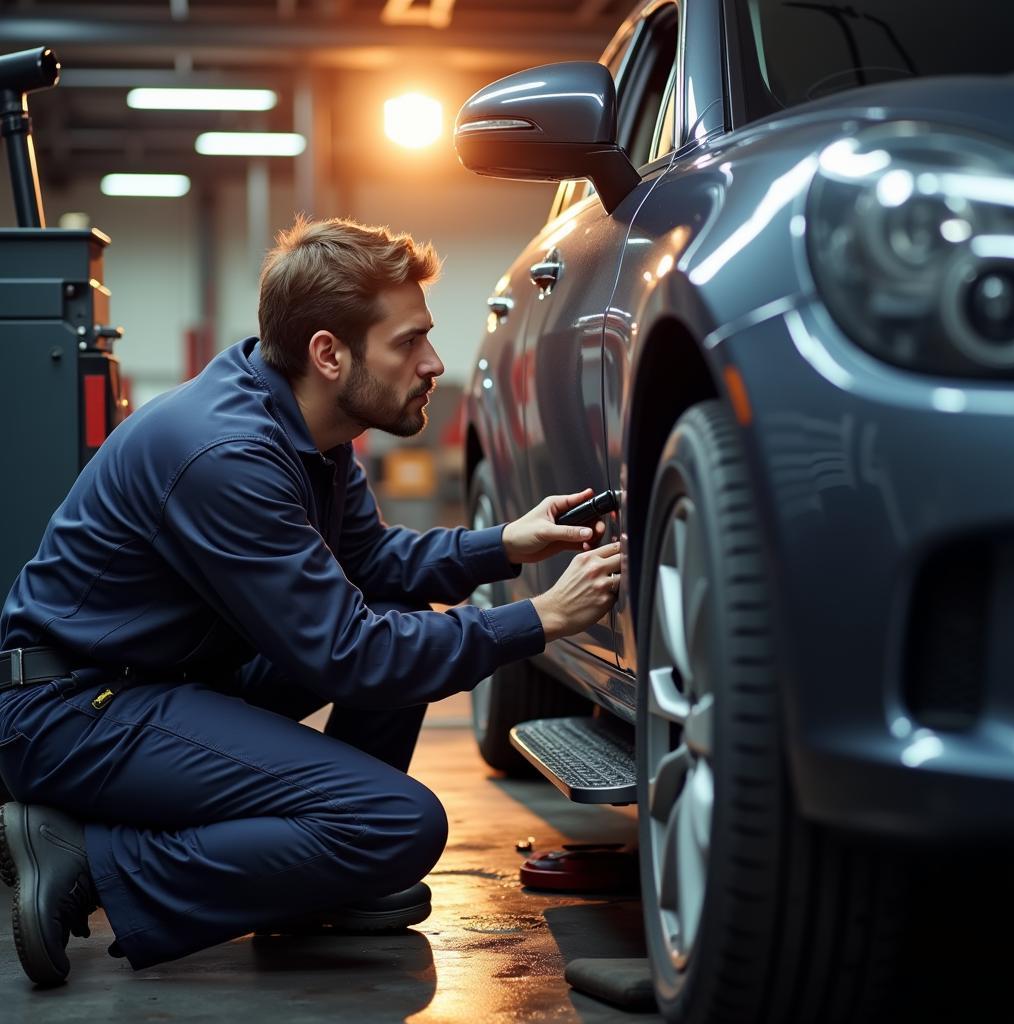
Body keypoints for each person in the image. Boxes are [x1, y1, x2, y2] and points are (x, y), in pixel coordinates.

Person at [0, 216, 621, 987]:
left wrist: (504, 544)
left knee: (407, 632)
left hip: (160, 680)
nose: (434, 363)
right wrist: (539, 619)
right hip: (71, 711)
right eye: (408, 342)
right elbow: (350, 655)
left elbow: (372, 562)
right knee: (400, 822)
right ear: (329, 353)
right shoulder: (227, 455)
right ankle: (91, 860)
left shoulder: (308, 431)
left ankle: (311, 875)